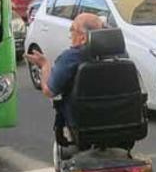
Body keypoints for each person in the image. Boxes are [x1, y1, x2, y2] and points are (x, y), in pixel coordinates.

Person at [25, 12, 104, 146]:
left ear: (83, 38)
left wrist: (45, 65)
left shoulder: (71, 58)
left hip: (83, 124)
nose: (70, 34)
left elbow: (49, 91)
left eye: (72, 30)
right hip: (124, 123)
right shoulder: (119, 55)